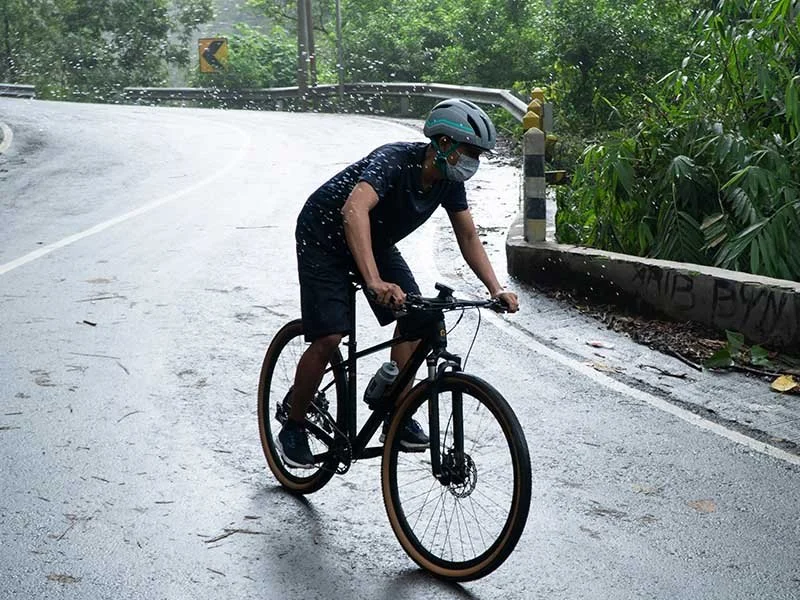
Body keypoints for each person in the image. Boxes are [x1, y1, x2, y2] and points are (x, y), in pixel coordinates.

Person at [277, 98, 520, 468]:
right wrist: (373, 280)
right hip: (324, 235)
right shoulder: (394, 160)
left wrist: (495, 289)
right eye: (469, 152)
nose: (474, 162)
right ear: (442, 145)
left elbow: (468, 237)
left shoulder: (448, 182)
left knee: (420, 318)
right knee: (329, 335)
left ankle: (396, 412)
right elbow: (354, 210)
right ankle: (293, 424)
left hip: (374, 240)